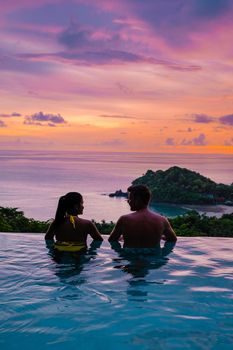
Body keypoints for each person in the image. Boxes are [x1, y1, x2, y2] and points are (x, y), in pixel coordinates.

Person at [108, 185, 177, 248]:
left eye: (130, 198)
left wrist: (122, 238)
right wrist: (159, 237)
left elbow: (112, 240)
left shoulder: (124, 219)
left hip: (130, 257)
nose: (128, 201)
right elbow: (172, 240)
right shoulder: (162, 220)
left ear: (137, 200)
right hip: (153, 258)